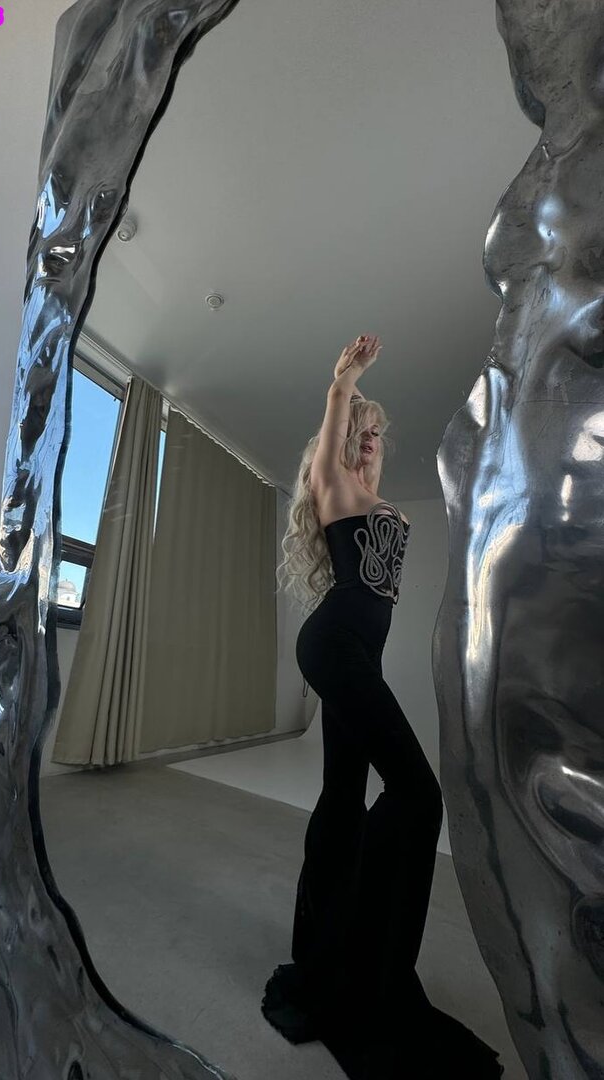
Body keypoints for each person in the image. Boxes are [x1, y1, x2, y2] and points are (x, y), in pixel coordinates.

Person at [260, 336, 503, 1079]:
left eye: (374, 435)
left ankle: (324, 946)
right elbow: (338, 413)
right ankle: (360, 945)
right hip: (332, 643)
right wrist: (347, 382)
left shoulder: (379, 500)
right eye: (358, 434)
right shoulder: (333, 489)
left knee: (342, 796)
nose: (367, 443)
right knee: (417, 794)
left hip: (354, 655)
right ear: (337, 445)